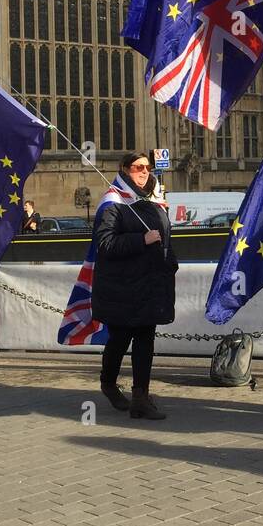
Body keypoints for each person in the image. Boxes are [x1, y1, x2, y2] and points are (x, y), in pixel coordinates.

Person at [91, 152, 178, 421]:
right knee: (119, 340)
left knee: (145, 341)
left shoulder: (153, 202)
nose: (144, 172)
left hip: (150, 284)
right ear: (125, 170)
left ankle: (140, 397)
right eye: (138, 167)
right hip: (123, 287)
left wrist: (170, 263)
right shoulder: (113, 203)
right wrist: (141, 240)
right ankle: (108, 383)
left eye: (147, 168)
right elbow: (105, 243)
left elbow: (163, 238)